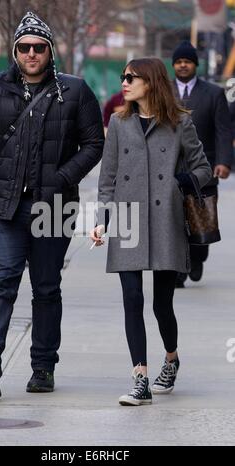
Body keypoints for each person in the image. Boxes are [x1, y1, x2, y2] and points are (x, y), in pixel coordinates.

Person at [0, 11, 104, 399]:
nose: (31, 53)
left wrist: (61, 177)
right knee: (1, 283)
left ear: (49, 51)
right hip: (3, 207)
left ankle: (43, 367)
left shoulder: (74, 91)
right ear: (15, 51)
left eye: (39, 47)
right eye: (24, 47)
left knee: (45, 288)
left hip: (53, 208)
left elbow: (94, 145)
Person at [90, 57, 212, 406]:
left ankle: (171, 359)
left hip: (166, 219)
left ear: (152, 82)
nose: (124, 83)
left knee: (161, 304)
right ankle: (140, 378)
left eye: (131, 77)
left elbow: (203, 169)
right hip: (127, 218)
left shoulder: (180, 123)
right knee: (132, 299)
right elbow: (107, 179)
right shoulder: (118, 121)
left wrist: (179, 182)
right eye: (123, 77)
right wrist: (102, 220)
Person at [172, 40, 233, 287]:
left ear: (195, 64)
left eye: (187, 61)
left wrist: (224, 162)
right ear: (173, 65)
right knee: (174, 218)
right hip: (171, 166)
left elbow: (223, 130)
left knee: (201, 219)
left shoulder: (213, 93)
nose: (183, 65)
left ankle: (198, 256)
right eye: (178, 62)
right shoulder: (163, 90)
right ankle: (179, 268)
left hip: (205, 167)